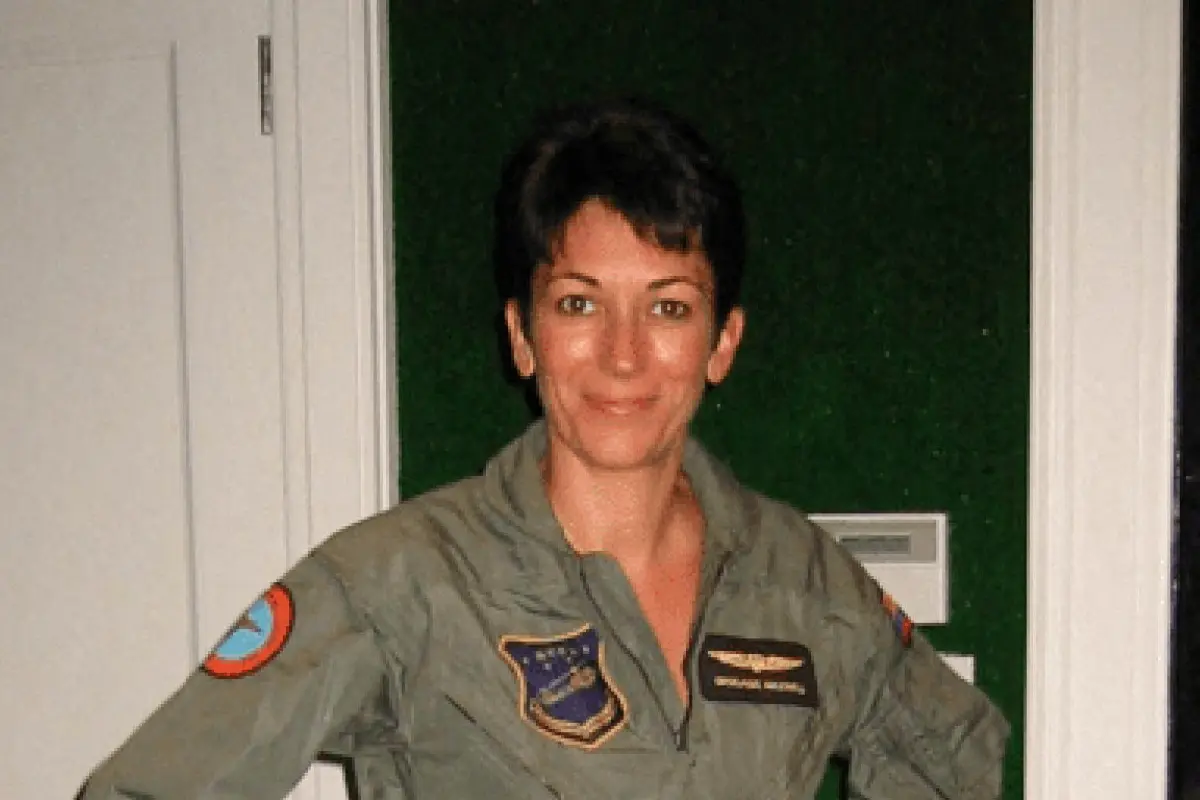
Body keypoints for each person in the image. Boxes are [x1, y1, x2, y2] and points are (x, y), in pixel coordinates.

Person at [78, 98, 1009, 799]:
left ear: (722, 342)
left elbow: (955, 757)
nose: (622, 354)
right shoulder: (401, 583)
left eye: (668, 307)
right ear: (523, 335)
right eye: (578, 303)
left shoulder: (804, 582)